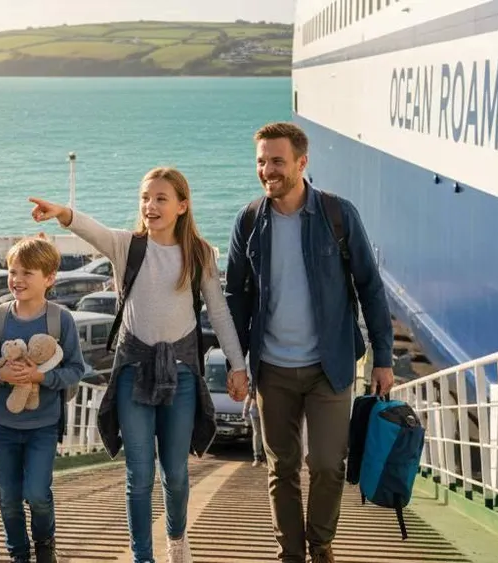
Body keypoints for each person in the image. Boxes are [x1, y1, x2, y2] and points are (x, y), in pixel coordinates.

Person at [29, 167, 249, 563]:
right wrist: (62, 212)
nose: (151, 206)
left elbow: (218, 312)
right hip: (132, 370)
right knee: (139, 474)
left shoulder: (199, 253)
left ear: (182, 206)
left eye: (161, 198)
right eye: (146, 198)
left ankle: (177, 539)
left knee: (175, 474)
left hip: (181, 373)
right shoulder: (127, 246)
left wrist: (237, 366)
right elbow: (91, 229)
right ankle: (142, 556)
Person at [225, 122, 395, 563]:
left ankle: (320, 545)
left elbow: (370, 287)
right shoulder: (249, 221)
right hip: (272, 369)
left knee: (326, 464)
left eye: (277, 161)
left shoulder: (338, 215)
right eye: (261, 161)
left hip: (330, 365)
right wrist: (237, 362)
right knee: (281, 467)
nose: (267, 170)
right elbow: (235, 295)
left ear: (302, 162)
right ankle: (290, 552)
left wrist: (383, 357)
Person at [0, 235, 86, 563]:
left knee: (37, 494)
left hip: (44, 425)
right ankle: (18, 553)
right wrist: (1, 375)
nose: (17, 279)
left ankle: (44, 543)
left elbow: (75, 370)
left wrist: (42, 378)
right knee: (9, 498)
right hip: (5, 425)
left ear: (49, 278)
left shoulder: (60, 319)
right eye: (13, 271)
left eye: (27, 273)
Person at [242, 392, 265, 467]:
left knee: (260, 434)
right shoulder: (255, 386)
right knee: (258, 433)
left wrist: (245, 412)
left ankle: (261, 457)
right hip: (256, 411)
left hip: (264, 411)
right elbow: (249, 396)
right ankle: (257, 457)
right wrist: (245, 412)